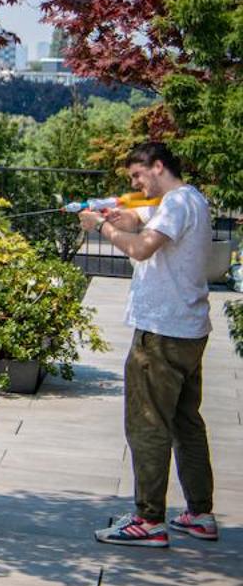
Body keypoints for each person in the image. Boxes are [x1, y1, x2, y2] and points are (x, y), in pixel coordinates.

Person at [80, 141, 218, 547]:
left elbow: (141, 248)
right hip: (189, 330)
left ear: (158, 166)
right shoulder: (188, 201)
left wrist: (101, 229)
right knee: (186, 423)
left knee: (147, 424)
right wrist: (114, 216)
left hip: (161, 331)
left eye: (138, 175)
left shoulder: (176, 203)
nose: (136, 183)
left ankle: (148, 519)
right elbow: (136, 219)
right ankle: (200, 514)